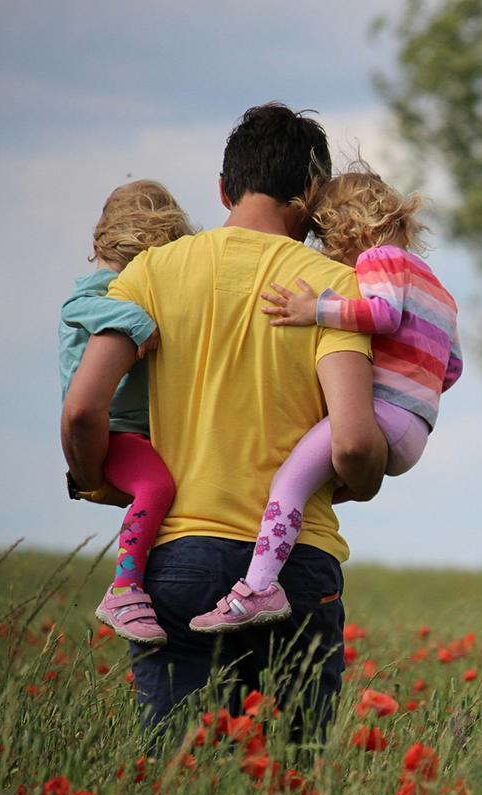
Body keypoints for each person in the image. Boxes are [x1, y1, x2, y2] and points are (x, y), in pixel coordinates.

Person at [61, 103, 387, 728]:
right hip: (295, 565)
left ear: (222, 188)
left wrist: (97, 478)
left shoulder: (149, 274)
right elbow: (351, 443)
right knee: (291, 771)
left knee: (179, 771)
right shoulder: (332, 287)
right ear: (312, 193)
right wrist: (363, 481)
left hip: (176, 557)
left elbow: (81, 409)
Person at [189, 167, 463, 633]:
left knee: (288, 483)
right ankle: (272, 567)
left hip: (382, 414)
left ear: (346, 228)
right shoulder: (439, 288)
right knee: (312, 481)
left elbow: (381, 313)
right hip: (416, 428)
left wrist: (313, 309)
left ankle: (258, 588)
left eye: (325, 237)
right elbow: (451, 368)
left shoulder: (379, 260)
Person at [60, 180, 193, 645]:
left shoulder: (124, 284)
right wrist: (137, 320)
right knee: (157, 486)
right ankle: (125, 588)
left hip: (136, 431)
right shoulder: (104, 289)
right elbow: (77, 306)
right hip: (114, 430)